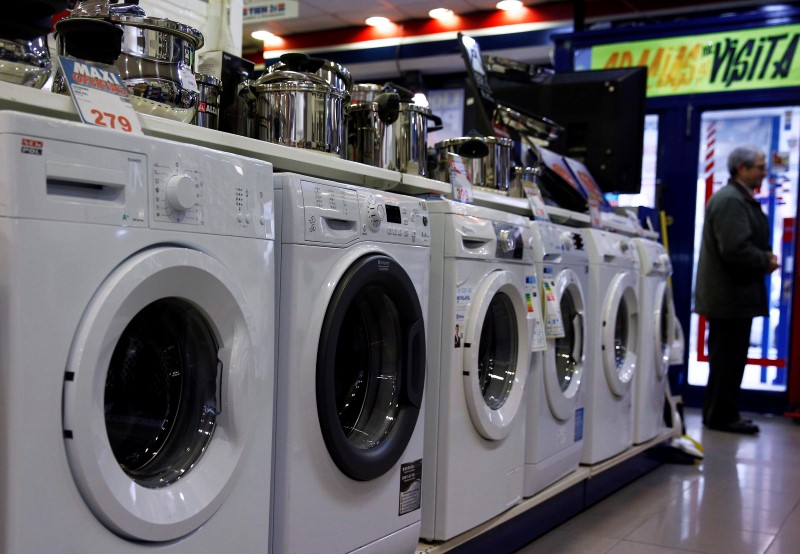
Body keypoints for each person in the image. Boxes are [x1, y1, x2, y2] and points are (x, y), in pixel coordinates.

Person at [694, 145, 779, 435]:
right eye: (759, 166)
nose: (764, 172)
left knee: (728, 360)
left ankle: (722, 413)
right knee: (727, 361)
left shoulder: (738, 198)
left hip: (733, 297)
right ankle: (721, 416)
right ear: (741, 168)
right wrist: (765, 260)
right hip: (728, 297)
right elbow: (734, 249)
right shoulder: (731, 201)